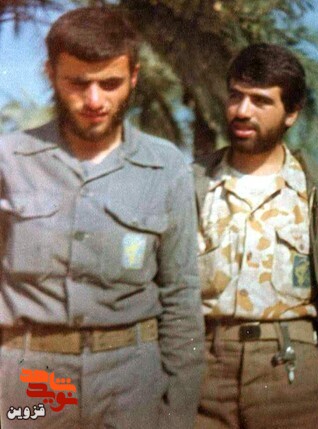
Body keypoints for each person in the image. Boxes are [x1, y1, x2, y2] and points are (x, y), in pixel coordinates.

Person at [0, 7, 203, 429]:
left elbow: (181, 297)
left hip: (132, 384)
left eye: (110, 83)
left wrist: (178, 413)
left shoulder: (166, 167)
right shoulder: (8, 160)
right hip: (30, 384)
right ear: (51, 74)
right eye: (78, 83)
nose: (94, 101)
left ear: (134, 77)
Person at [193, 43, 318, 429]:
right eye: (236, 96)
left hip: (290, 373)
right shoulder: (193, 185)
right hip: (202, 369)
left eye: (260, 101)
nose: (242, 111)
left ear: (291, 113)